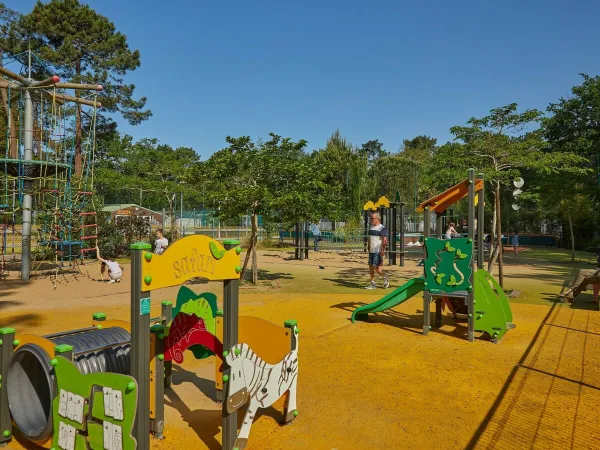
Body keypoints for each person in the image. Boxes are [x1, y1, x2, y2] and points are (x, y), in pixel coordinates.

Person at [366, 212, 389, 289]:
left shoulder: (382, 228)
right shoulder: (371, 227)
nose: (371, 220)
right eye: (371, 218)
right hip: (371, 250)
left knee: (376, 267)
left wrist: (383, 250)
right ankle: (372, 283)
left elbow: (385, 240)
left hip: (378, 250)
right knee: (370, 266)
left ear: (378, 219)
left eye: (373, 218)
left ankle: (385, 277)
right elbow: (370, 238)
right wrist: (368, 246)